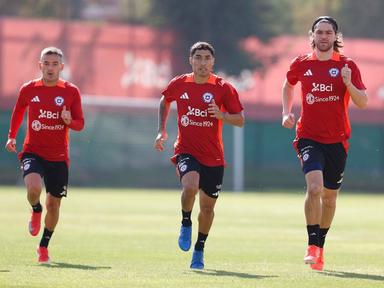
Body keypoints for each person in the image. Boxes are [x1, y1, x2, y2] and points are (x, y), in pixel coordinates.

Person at [282, 16, 367, 271]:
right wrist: (286, 111)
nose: (323, 36)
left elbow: (362, 101)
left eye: (328, 32)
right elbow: (288, 84)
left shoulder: (347, 65)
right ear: (312, 35)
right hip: (308, 136)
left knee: (329, 199)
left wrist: (348, 82)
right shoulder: (302, 63)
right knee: (315, 188)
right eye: (319, 32)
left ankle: (320, 246)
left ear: (335, 36)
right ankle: (311, 245)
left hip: (338, 140)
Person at [154, 41, 244, 269]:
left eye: (207, 58)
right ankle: (185, 222)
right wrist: (162, 129)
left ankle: (199, 249)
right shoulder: (180, 83)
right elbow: (165, 100)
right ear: (190, 60)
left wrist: (222, 115)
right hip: (186, 150)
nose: (202, 63)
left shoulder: (223, 88)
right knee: (190, 186)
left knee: (207, 209)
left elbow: (240, 120)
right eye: (198, 58)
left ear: (213, 62)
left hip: (214, 157)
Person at [5, 47, 85, 264]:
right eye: (46, 63)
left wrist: (70, 121)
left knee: (54, 205)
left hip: (59, 157)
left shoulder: (71, 91)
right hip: (33, 151)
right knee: (33, 188)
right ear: (40, 65)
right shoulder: (29, 89)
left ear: (62, 67)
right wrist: (12, 136)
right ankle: (35, 209)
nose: (50, 68)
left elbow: (80, 124)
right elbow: (18, 111)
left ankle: (43, 246)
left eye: (54, 64)